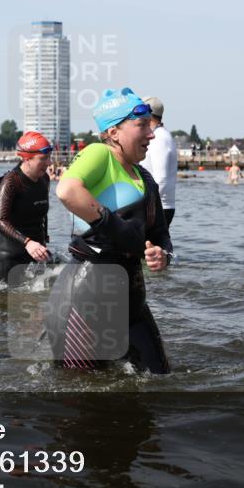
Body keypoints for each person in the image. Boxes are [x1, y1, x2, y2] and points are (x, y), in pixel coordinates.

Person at [48, 88, 173, 374]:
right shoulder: (99, 154)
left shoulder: (145, 178)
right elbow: (67, 190)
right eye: (141, 126)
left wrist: (162, 254)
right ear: (114, 132)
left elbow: (160, 233)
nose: (151, 134)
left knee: (160, 378)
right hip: (86, 297)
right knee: (80, 396)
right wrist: (118, 229)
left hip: (132, 301)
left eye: (150, 126)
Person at [0, 131, 52, 287]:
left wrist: (44, 238)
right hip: (10, 257)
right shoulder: (11, 181)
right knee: (7, 307)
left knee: (39, 304)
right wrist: (27, 243)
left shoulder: (44, 179)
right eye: (43, 159)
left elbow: (40, 213)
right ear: (27, 158)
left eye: (49, 157)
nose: (49, 163)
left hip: (36, 253)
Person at [139, 96, 177, 226]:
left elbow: (162, 179)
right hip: (155, 206)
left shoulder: (159, 138)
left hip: (158, 208)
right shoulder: (158, 136)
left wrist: (145, 208)